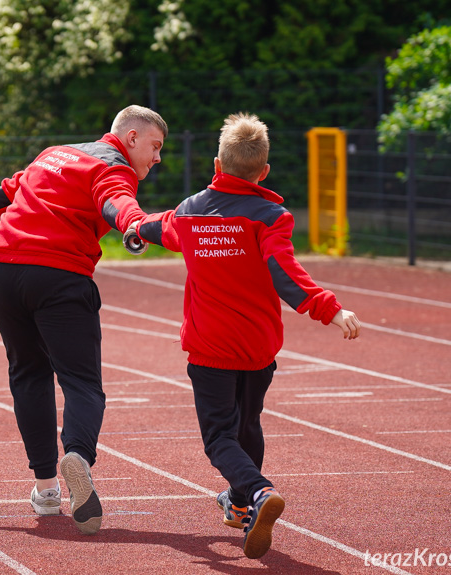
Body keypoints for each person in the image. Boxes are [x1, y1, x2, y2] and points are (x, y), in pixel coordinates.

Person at [0, 105, 168, 535]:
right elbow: (116, 204)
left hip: (3, 271)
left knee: (29, 375)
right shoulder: (114, 168)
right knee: (82, 383)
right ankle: (78, 457)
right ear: (130, 138)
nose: (158, 158)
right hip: (59, 277)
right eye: (155, 146)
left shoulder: (54, 154)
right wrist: (136, 226)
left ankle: (47, 489)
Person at [127, 112, 360, 559]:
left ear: (217, 164)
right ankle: (238, 505)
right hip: (256, 347)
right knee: (246, 424)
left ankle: (256, 492)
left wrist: (133, 228)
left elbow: (158, 227)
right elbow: (285, 274)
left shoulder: (192, 211)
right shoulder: (271, 216)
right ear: (264, 172)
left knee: (219, 437)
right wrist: (330, 309)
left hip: (210, 347)